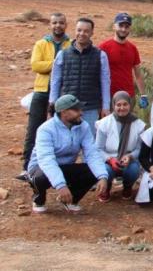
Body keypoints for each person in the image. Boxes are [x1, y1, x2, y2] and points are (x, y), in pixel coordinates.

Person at [27, 94, 109, 213]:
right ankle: (39, 199)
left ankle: (70, 200)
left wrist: (102, 176)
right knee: (39, 178)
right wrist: (60, 185)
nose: (81, 112)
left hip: (65, 167)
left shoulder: (83, 127)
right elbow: (46, 160)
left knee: (93, 172)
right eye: (76, 110)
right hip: (40, 167)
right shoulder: (45, 130)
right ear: (63, 112)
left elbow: (92, 153)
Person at [17, 12, 71, 181]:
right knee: (34, 128)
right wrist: (57, 63)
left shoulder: (70, 44)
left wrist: (55, 64)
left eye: (61, 23)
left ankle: (57, 167)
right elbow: (36, 65)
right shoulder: (41, 44)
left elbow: (70, 65)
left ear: (66, 25)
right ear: (50, 24)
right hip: (41, 90)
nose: (58, 26)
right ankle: (27, 167)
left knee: (61, 129)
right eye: (55, 22)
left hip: (62, 92)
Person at [49, 17, 111, 135]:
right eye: (79, 30)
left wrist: (106, 107)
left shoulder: (100, 56)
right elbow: (55, 81)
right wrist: (52, 106)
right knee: (65, 143)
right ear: (75, 31)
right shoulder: (62, 54)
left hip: (90, 107)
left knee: (89, 142)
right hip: (66, 108)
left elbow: (105, 82)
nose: (82, 34)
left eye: (86, 31)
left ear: (92, 33)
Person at [95, 91, 146, 201]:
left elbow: (139, 148)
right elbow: (98, 149)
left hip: (128, 161)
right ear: (113, 105)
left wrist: (130, 156)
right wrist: (109, 159)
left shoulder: (138, 124)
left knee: (133, 170)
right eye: (118, 105)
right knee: (105, 170)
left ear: (130, 105)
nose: (122, 108)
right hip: (109, 160)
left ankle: (127, 187)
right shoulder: (104, 123)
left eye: (125, 104)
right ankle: (106, 188)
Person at [98, 13, 147, 106]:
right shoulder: (104, 47)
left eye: (127, 26)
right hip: (109, 96)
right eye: (120, 26)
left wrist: (143, 95)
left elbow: (138, 74)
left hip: (128, 96)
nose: (123, 29)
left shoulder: (133, 48)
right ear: (114, 26)